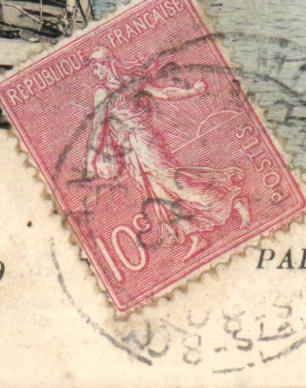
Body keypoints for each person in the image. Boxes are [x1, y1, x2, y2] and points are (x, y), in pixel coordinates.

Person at [84, 48, 248, 258]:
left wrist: (192, 91)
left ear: (108, 64)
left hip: (146, 141)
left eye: (98, 66)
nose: (95, 71)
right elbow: (98, 129)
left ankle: (230, 200)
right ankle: (195, 236)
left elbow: (164, 93)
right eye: (92, 67)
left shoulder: (129, 83)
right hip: (131, 151)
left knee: (173, 182)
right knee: (159, 194)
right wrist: (92, 160)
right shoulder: (102, 93)